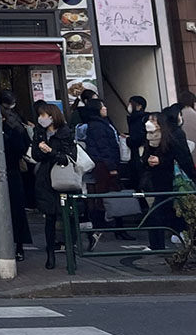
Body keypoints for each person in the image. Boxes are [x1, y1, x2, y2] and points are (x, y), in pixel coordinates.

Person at [32, 102, 77, 269]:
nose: (40, 119)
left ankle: (71, 252)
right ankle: (50, 254)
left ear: (52, 116)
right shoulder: (39, 133)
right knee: (49, 217)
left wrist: (50, 151)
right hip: (45, 179)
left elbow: (69, 157)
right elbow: (36, 156)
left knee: (68, 216)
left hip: (63, 178)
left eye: (43, 115)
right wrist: (41, 150)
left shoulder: (66, 133)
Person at [138, 111, 189, 250]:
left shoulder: (171, 137)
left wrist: (161, 160)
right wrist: (148, 160)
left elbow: (181, 158)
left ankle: (158, 245)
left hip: (173, 181)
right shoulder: (149, 139)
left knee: (158, 213)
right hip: (158, 182)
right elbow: (144, 158)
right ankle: (177, 237)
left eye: (153, 121)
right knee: (169, 212)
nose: (150, 123)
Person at [79, 96, 122, 244]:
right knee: (105, 194)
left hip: (103, 163)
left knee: (103, 194)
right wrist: (111, 166)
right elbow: (104, 147)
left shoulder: (100, 123)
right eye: (102, 107)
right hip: (103, 164)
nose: (105, 108)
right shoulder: (97, 126)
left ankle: (105, 226)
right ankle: (101, 226)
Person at [0, 91, 32, 259]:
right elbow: (23, 148)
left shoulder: (1, 132)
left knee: (1, 211)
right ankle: (18, 246)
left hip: (1, 173)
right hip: (13, 173)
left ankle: (7, 246)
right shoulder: (17, 126)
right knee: (16, 210)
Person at [125, 95, 150, 188]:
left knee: (140, 180)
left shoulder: (138, 119)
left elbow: (138, 138)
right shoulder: (138, 118)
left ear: (139, 106)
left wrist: (128, 140)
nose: (129, 106)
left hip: (139, 155)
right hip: (138, 155)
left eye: (131, 103)